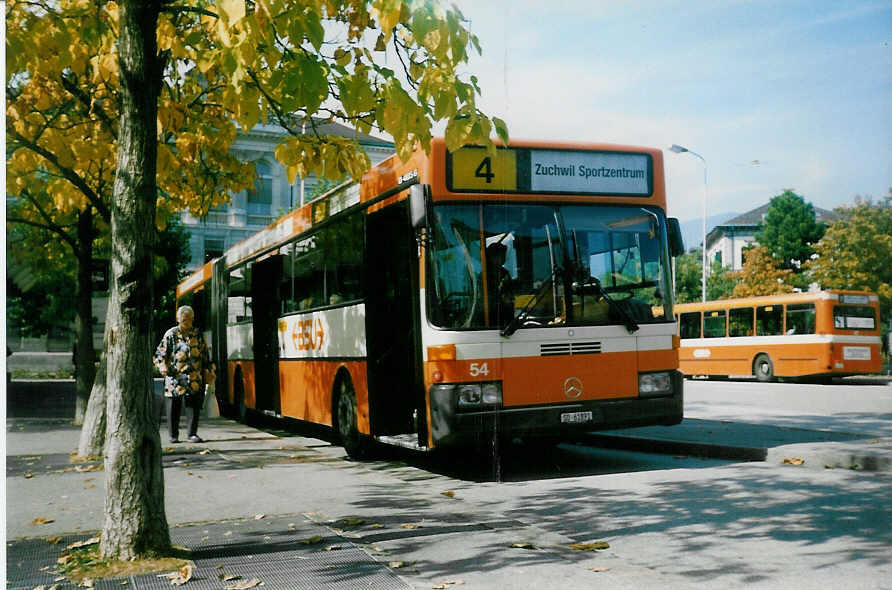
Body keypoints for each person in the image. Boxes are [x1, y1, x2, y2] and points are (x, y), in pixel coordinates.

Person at [154, 305, 215, 443]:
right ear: (178, 319)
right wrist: (162, 365)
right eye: (184, 320)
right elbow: (160, 354)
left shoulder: (197, 334)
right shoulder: (171, 334)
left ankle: (192, 434)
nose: (188, 322)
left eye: (190, 319)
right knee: (173, 407)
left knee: (193, 405)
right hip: (174, 377)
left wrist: (210, 370)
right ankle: (173, 435)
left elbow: (205, 355)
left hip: (194, 377)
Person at [485, 242, 515, 326]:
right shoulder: (485, 275)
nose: (503, 258)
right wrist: (501, 285)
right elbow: (487, 296)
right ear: (491, 257)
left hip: (506, 313)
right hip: (491, 314)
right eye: (500, 256)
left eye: (504, 255)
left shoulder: (504, 272)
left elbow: (510, 293)